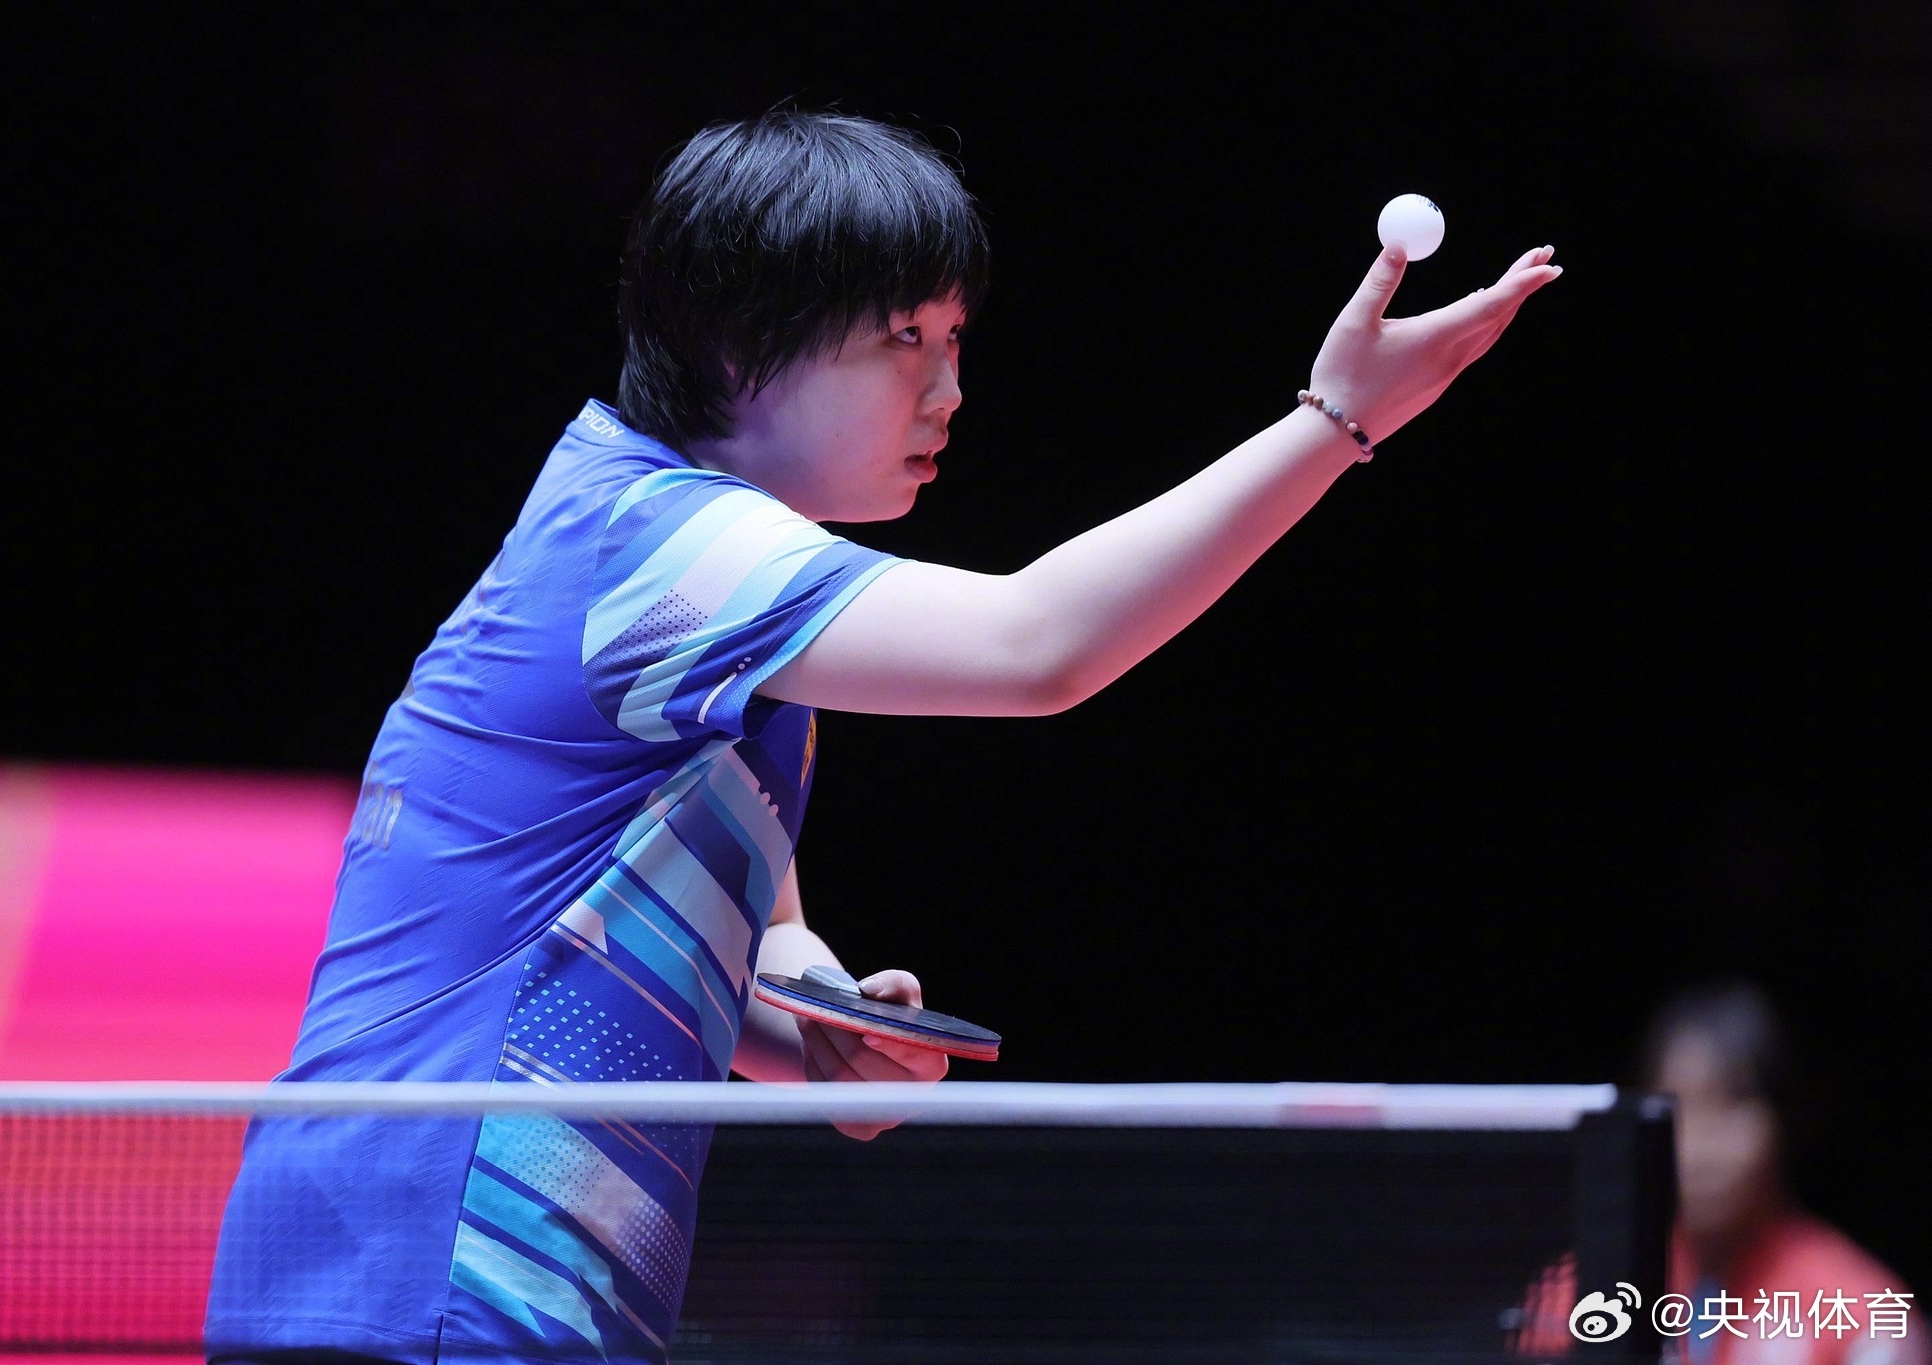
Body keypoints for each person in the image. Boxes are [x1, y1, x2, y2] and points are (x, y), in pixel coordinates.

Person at [206, 110, 1560, 1364]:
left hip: (475, 1270)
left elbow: (756, 941)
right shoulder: (659, 545)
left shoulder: (706, 599)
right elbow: (1038, 647)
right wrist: (1336, 422)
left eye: (956, 338)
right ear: (739, 344)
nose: (947, 389)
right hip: (428, 1252)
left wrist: (824, 1026)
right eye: (903, 337)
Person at [1511, 981, 1921, 1365]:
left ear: (1785, 1119)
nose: (1702, 1143)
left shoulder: (1862, 1312)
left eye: (1732, 1102)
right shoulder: (1575, 1296)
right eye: (1678, 1106)